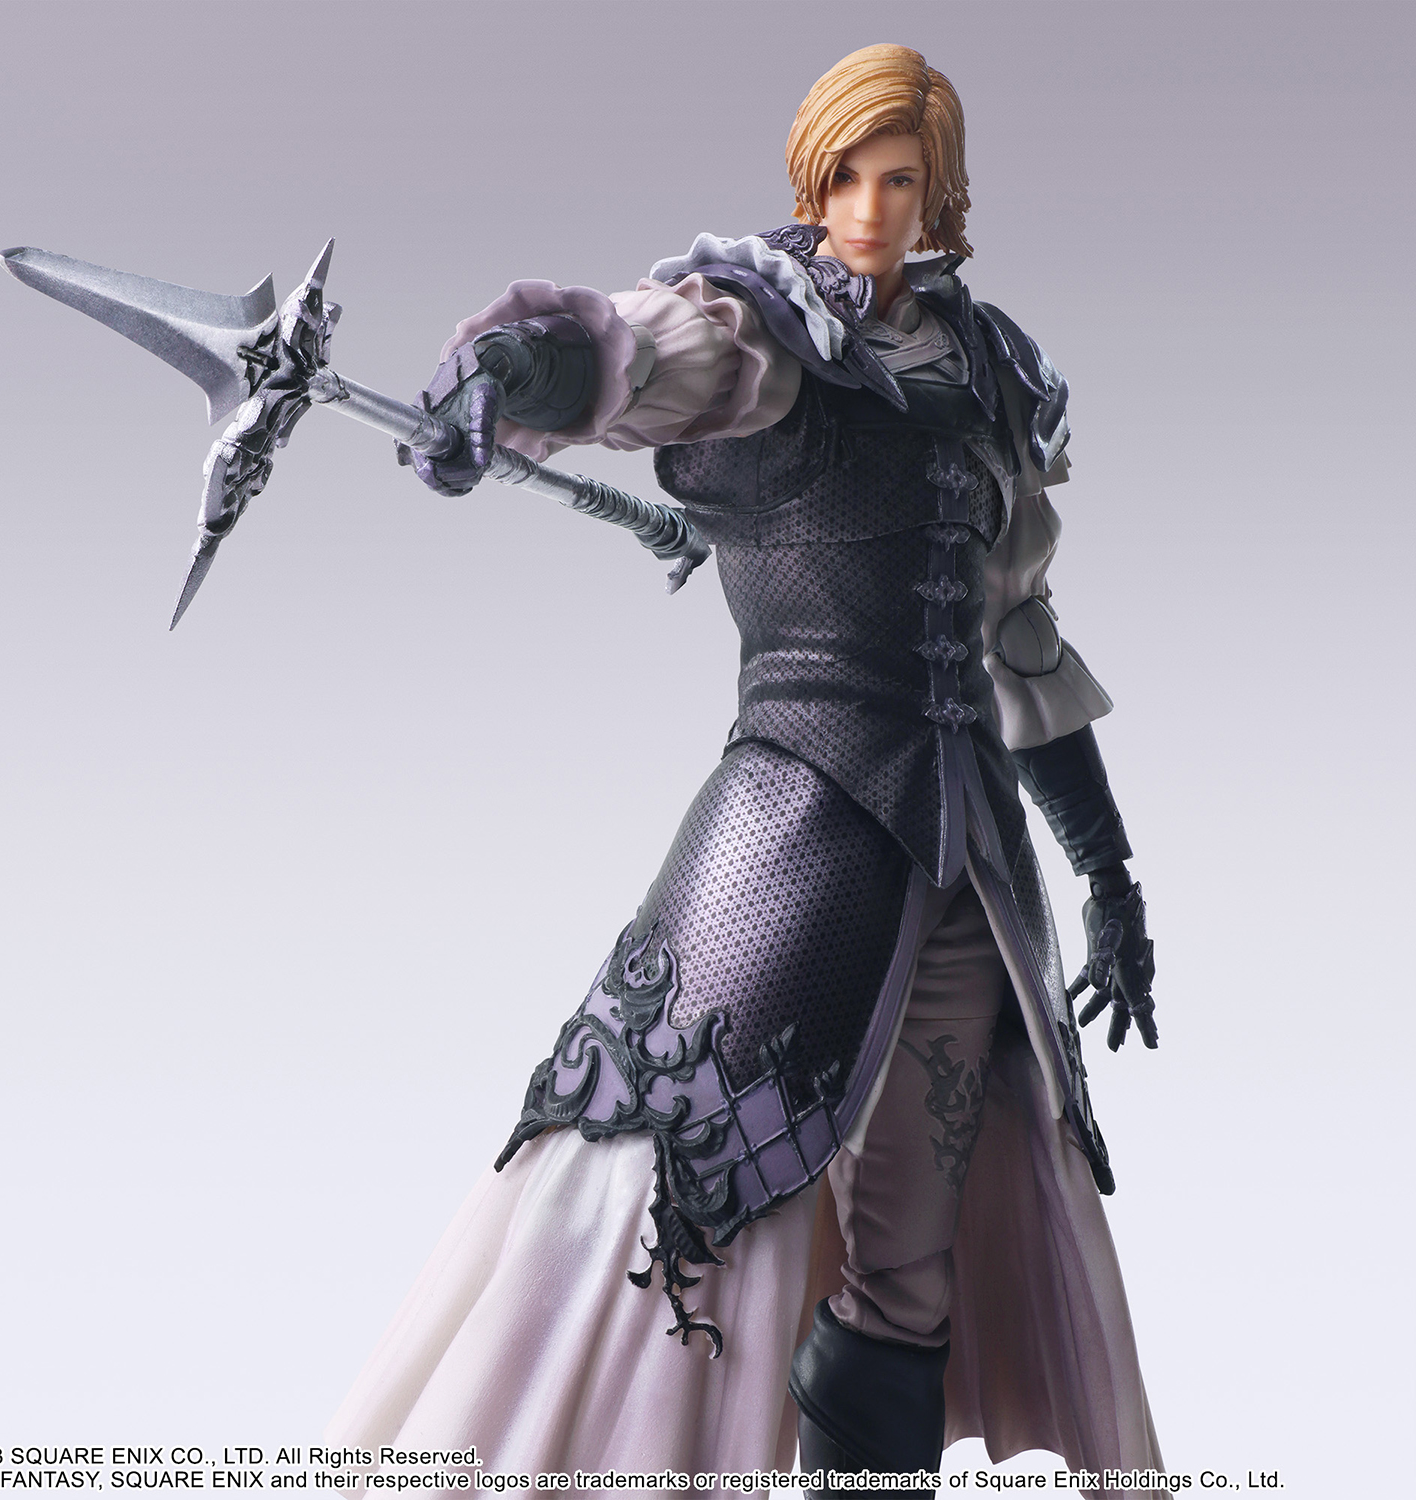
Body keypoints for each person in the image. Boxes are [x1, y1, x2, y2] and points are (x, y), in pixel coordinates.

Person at [329, 44, 1164, 1496]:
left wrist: (1109, 873)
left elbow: (1021, 640)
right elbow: (636, 357)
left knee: (910, 1271)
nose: (872, 210)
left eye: (902, 180)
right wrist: (512, 371)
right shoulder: (765, 329)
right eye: (848, 177)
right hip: (790, 843)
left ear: (944, 195)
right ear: (811, 178)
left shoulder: (989, 378)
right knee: (661, 1207)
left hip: (967, 881)